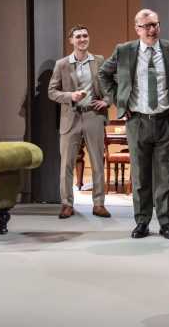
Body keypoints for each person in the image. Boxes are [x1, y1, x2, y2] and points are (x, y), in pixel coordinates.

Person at [99, 9, 169, 239]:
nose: (152, 30)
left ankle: (165, 223)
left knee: (165, 175)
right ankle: (142, 222)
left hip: (166, 122)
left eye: (155, 25)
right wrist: (119, 101)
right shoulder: (124, 51)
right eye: (146, 26)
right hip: (137, 122)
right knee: (141, 176)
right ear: (137, 29)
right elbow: (104, 75)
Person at [48, 25, 111, 219]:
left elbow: (110, 85)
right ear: (71, 40)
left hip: (93, 115)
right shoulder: (62, 64)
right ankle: (67, 204)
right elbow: (52, 91)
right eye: (78, 36)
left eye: (85, 35)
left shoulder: (99, 60)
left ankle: (99, 204)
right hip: (71, 118)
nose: (82, 39)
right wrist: (70, 95)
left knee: (97, 162)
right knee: (66, 163)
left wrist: (107, 101)